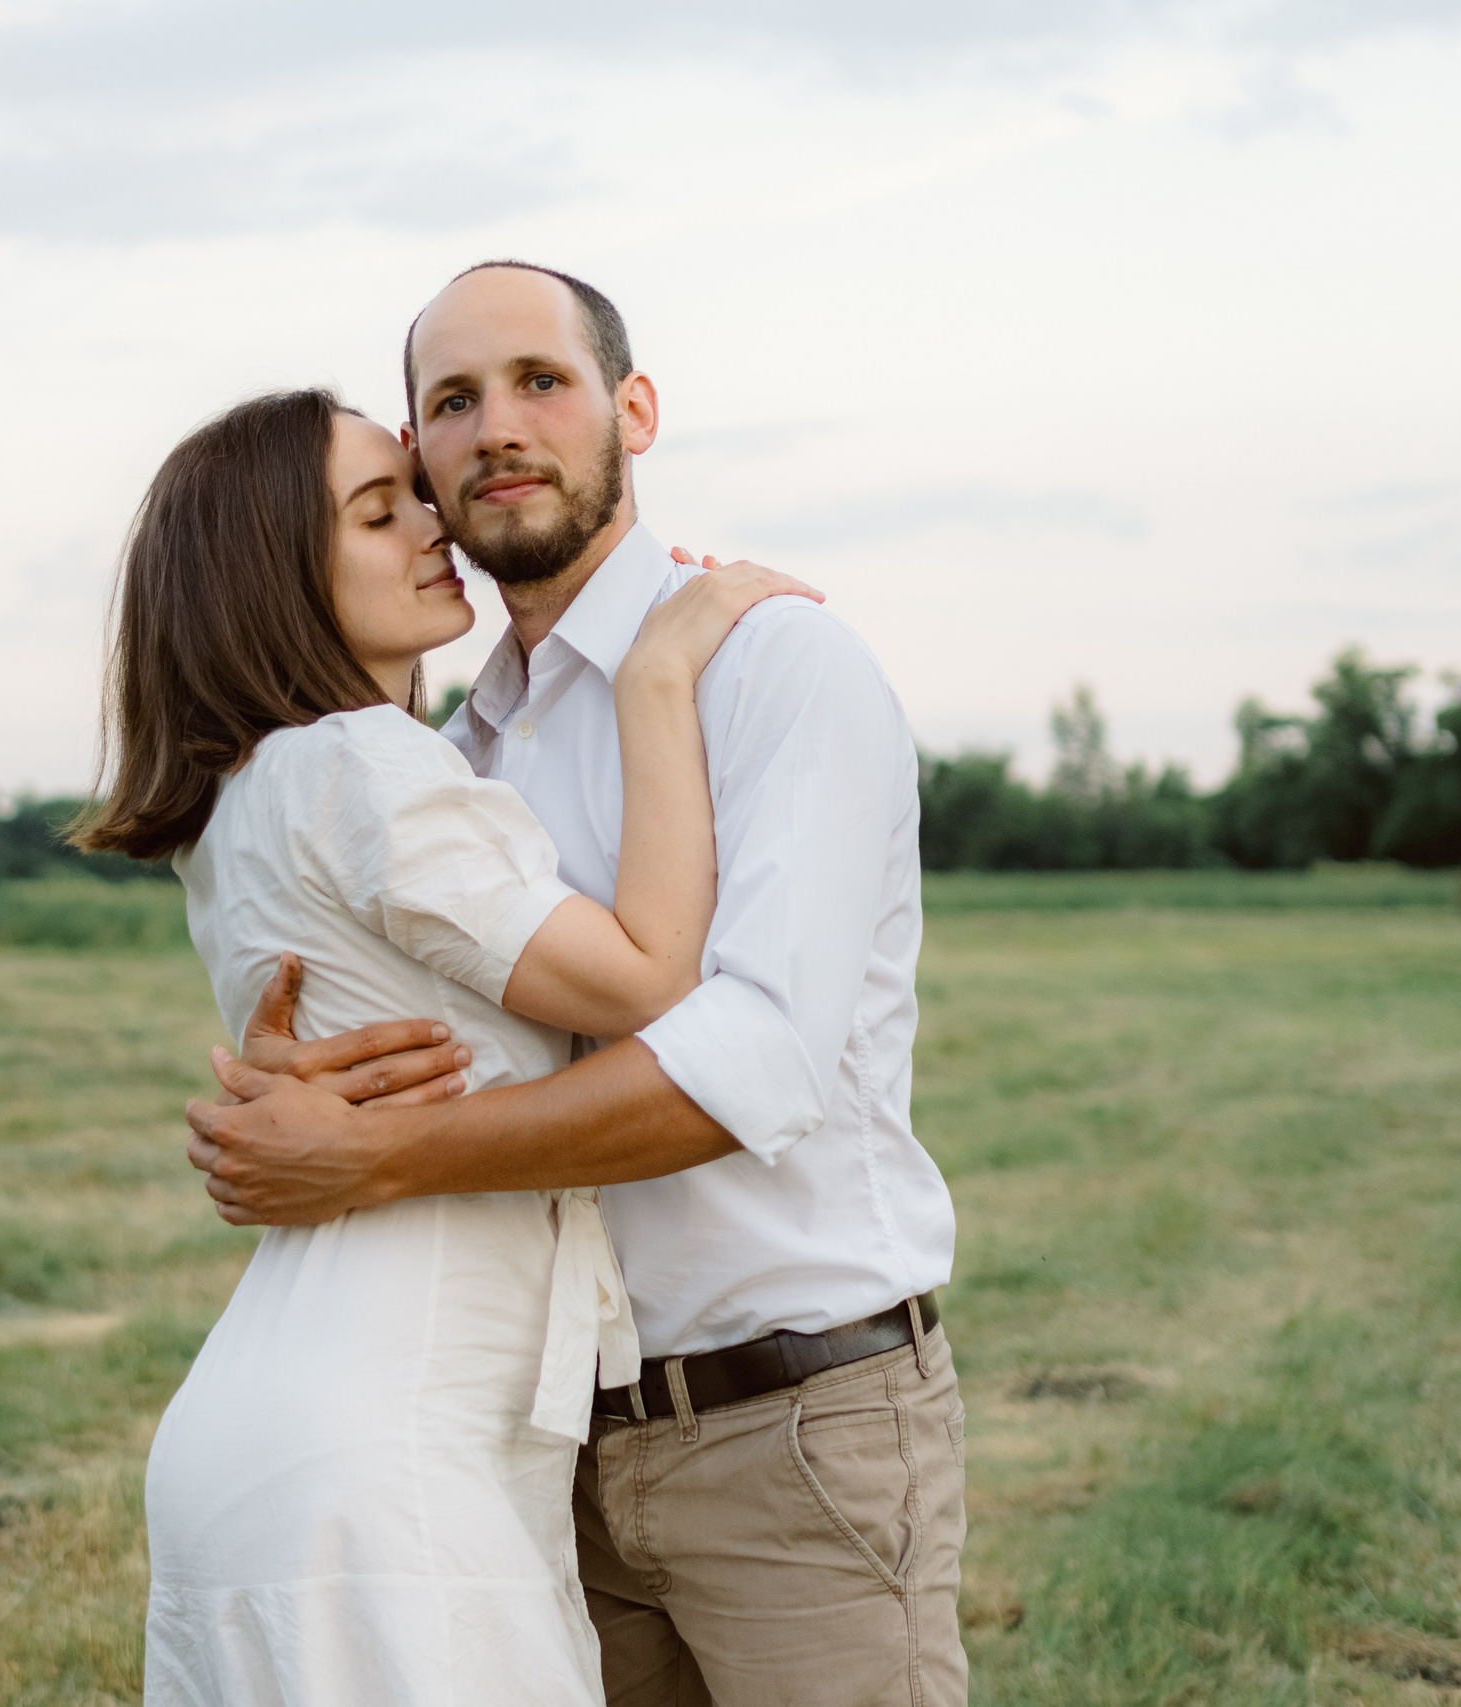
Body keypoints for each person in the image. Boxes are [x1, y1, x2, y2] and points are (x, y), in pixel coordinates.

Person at [185, 263, 968, 1707]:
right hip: (546, 1449)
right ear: (420, 455)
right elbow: (450, 1030)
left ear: (633, 410)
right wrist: (296, 1090)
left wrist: (372, 1154)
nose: (497, 428)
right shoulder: (460, 749)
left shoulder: (772, 662)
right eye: (452, 401)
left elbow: (753, 1062)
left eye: (540, 382)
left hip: (790, 1424)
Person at [74, 385, 817, 1705]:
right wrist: (654, 675)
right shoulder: (361, 763)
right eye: (380, 510)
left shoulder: (247, 797)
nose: (435, 525)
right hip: (384, 1448)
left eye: (414, 492)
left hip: (280, 1426)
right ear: (273, 579)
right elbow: (648, 978)